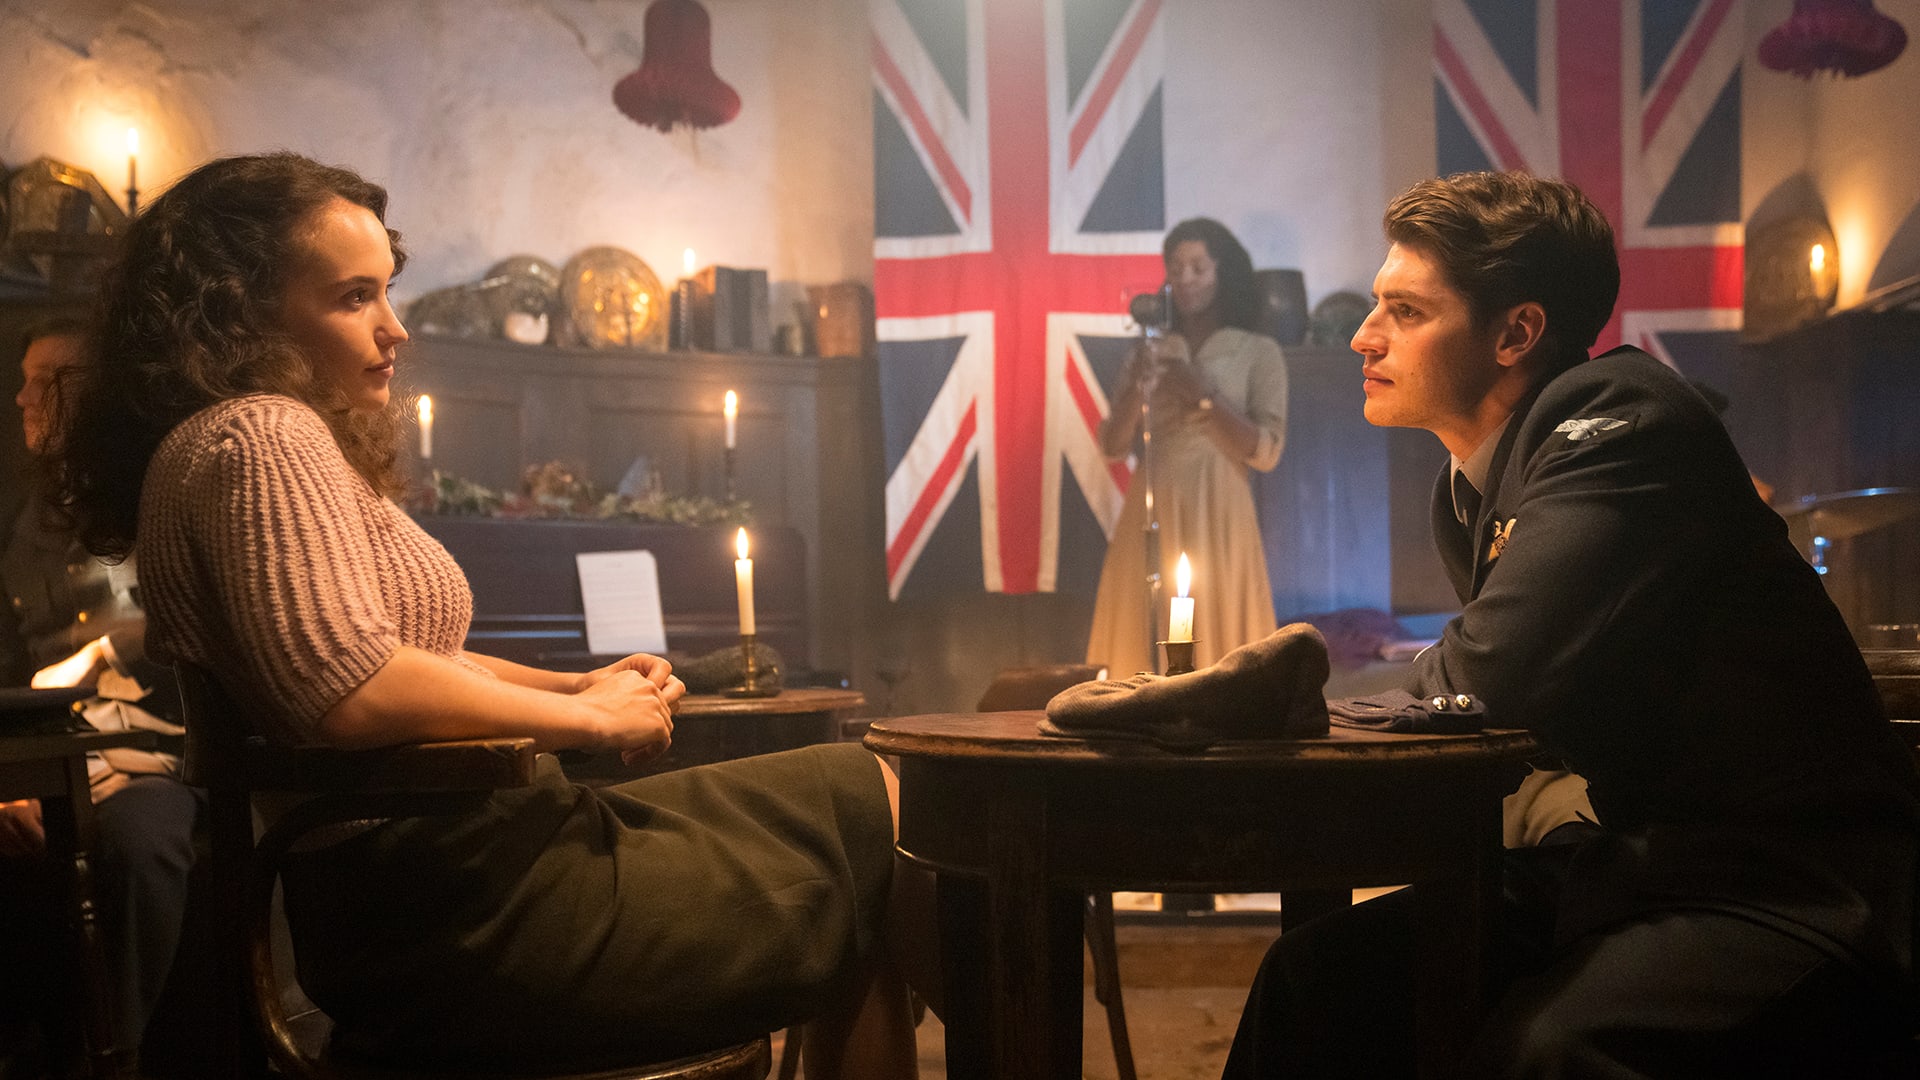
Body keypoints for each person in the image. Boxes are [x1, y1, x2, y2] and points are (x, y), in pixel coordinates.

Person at [46, 152, 932, 1077]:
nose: (394, 328)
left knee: (868, 826)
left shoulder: (228, 442)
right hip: (461, 910)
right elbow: (351, 689)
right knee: (879, 814)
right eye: (353, 298)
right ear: (242, 312)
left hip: (456, 871)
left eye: (386, 292)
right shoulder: (263, 436)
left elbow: (408, 657)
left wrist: (574, 684)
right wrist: (589, 720)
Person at [1224, 171, 1920, 1077]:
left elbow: (1486, 679)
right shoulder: (1472, 488)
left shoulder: (1622, 420)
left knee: (1545, 1053)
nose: (1365, 334)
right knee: (1315, 977)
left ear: (1517, 332)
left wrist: (1270, 698)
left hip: (1800, 882)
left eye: (1406, 310)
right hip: (1646, 863)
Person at [0, 317, 199, 1064]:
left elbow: (204, 619)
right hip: (45, 749)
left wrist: (108, 648)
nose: (23, 398)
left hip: (161, 747)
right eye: (23, 380)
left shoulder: (162, 490)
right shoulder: (18, 518)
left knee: (137, 843)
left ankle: (113, 1058)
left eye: (45, 382)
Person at [1086, 218, 1288, 676]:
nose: (1186, 280)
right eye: (1175, 269)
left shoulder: (1258, 351)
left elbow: (1267, 451)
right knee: (1143, 634)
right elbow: (1113, 446)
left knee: (1220, 637)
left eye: (1198, 267)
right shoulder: (1151, 348)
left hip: (1220, 506)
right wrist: (1138, 387)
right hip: (1153, 503)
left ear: (1223, 272)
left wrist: (1199, 393)